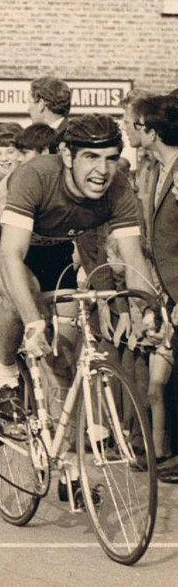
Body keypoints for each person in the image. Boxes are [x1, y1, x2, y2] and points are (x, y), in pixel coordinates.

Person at [0, 115, 158, 428]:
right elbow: (12, 256)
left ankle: (63, 449)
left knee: (63, 354)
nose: (102, 171)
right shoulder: (36, 176)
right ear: (67, 156)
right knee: (20, 295)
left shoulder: (119, 187)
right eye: (91, 158)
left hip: (55, 245)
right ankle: (5, 374)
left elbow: (133, 259)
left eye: (111, 159)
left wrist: (146, 310)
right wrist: (32, 322)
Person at [131, 93, 178, 468]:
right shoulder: (156, 170)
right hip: (168, 289)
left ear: (151, 130)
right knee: (161, 380)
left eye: (136, 124)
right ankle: (163, 451)